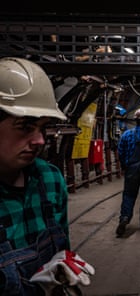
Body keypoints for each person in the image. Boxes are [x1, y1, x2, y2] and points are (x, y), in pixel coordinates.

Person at [0, 57, 93, 295]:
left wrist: (60, 267)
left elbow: (63, 247)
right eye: (25, 127)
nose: (40, 140)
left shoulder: (49, 179)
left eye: (43, 127)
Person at [116, 107, 140, 236]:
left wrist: (125, 166)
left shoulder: (127, 134)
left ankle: (125, 218)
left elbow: (120, 152)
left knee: (129, 195)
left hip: (132, 168)